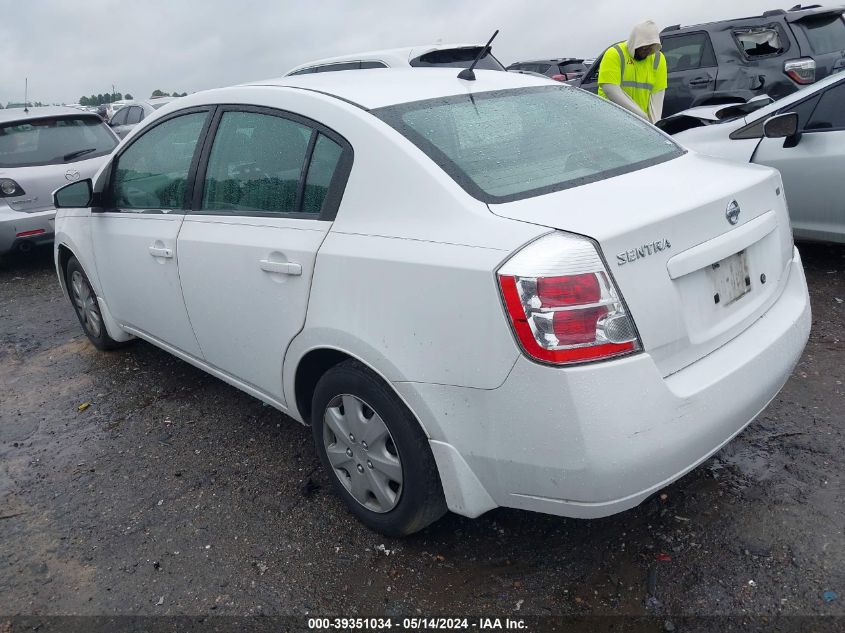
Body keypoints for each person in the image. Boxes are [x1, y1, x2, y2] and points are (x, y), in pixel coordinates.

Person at [598, 20, 667, 123]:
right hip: (610, 121)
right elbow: (610, 90)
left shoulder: (658, 59)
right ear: (634, 41)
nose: (646, 51)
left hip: (638, 125)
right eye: (643, 48)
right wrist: (641, 116)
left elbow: (657, 97)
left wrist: (654, 127)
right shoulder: (615, 54)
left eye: (650, 48)